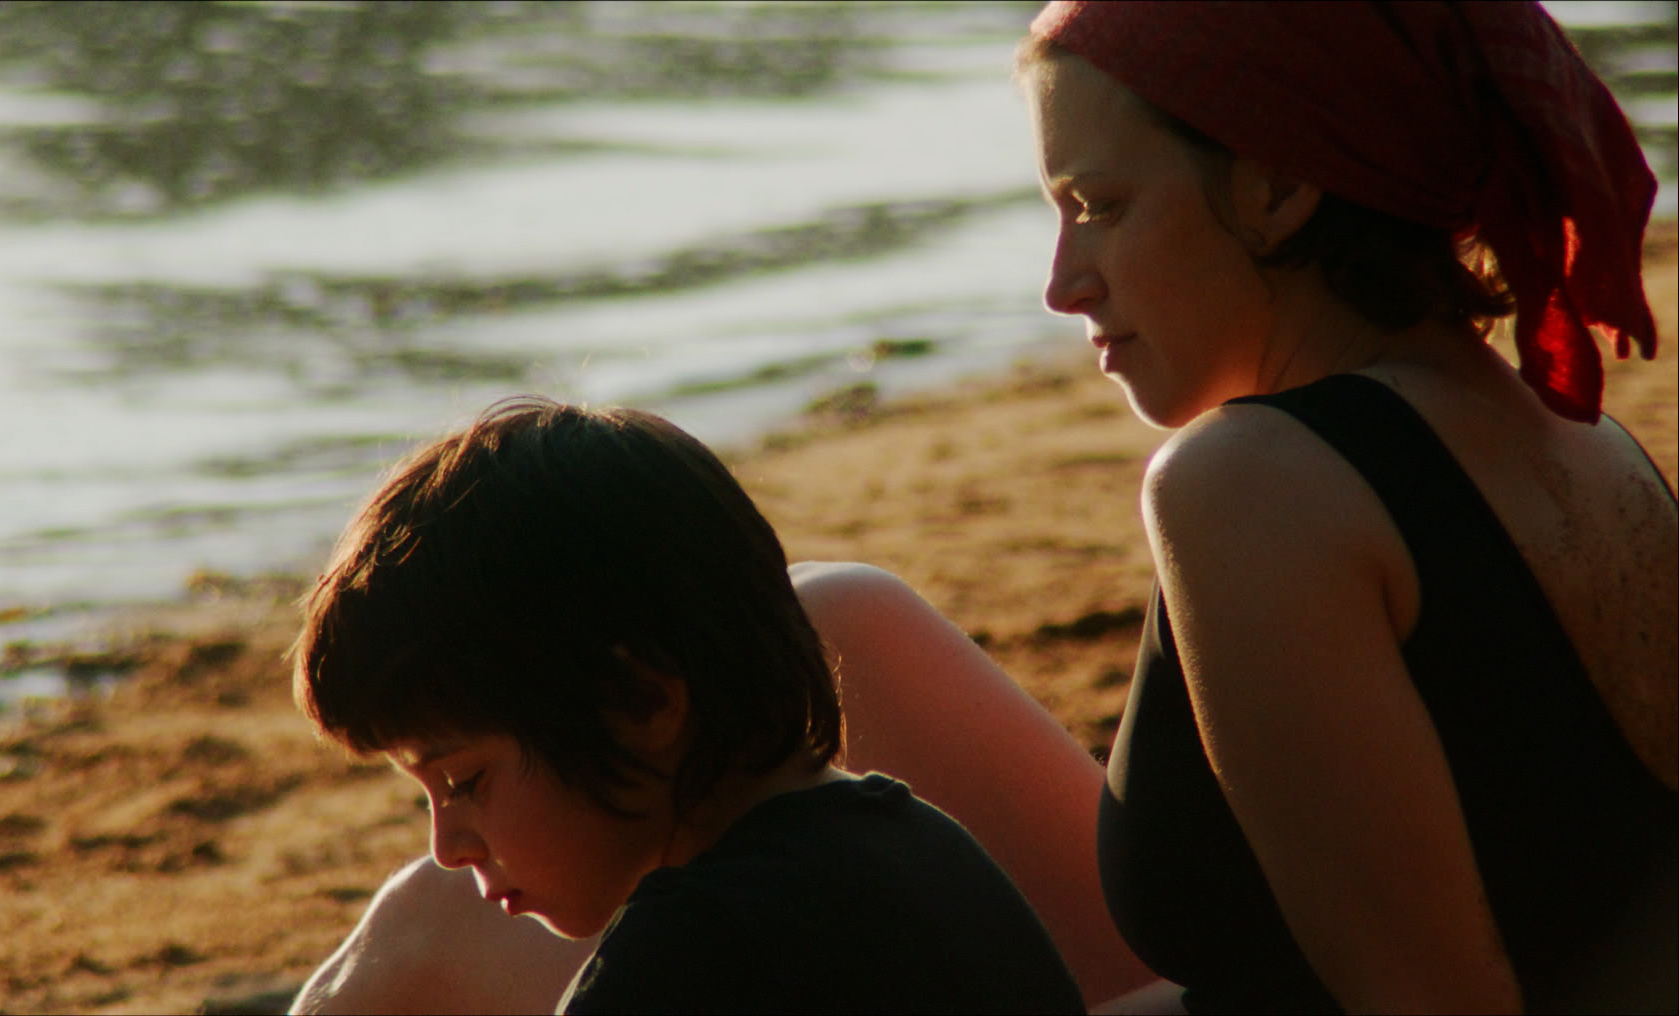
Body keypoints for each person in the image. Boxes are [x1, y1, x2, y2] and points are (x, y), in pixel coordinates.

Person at [294, 1, 1678, 1012]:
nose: (1060, 282)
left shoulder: (1249, 484)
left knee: (437, 936)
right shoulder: (1566, 435)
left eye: (1099, 204)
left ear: (1274, 187)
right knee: (832, 616)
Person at [289, 398, 1091, 1014]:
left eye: (465, 782)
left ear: (638, 702)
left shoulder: (685, 955)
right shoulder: (919, 842)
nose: (447, 846)